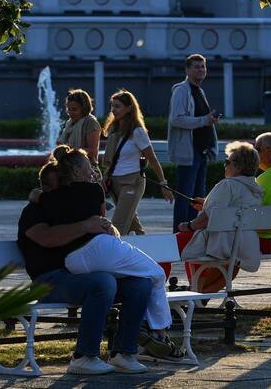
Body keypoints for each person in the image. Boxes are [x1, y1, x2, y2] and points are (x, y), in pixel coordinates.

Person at [40, 147, 179, 361]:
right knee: (157, 273)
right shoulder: (94, 190)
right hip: (98, 247)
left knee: (137, 282)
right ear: (76, 172)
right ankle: (159, 334)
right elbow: (103, 224)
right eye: (88, 167)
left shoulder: (50, 197)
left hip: (72, 261)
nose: (93, 171)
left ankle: (130, 344)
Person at [17, 160, 154, 374]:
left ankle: (123, 353)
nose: (64, 191)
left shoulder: (70, 207)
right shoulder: (34, 210)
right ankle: (84, 356)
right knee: (103, 282)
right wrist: (85, 226)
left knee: (141, 284)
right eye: (59, 186)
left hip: (81, 276)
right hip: (48, 281)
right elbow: (47, 238)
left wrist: (104, 227)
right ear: (44, 187)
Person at [177, 141, 264, 292]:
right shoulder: (255, 189)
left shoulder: (227, 185)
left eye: (227, 162)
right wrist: (206, 204)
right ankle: (198, 293)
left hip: (221, 242)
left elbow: (206, 219)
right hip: (242, 244)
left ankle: (188, 293)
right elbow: (226, 212)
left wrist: (187, 225)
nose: (225, 166)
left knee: (170, 246)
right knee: (229, 265)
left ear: (238, 167)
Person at [103, 90, 172, 235]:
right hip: (114, 182)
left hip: (132, 181)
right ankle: (147, 249)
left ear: (128, 108)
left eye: (117, 106)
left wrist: (163, 183)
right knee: (133, 224)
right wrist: (106, 176)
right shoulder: (114, 130)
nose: (113, 110)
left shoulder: (137, 132)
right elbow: (112, 160)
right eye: (112, 106)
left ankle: (111, 255)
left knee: (118, 225)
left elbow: (152, 158)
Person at [168, 54, 220, 232]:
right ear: (187, 70)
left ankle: (190, 235)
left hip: (201, 151)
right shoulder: (182, 90)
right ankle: (178, 236)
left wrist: (209, 124)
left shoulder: (199, 90)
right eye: (197, 67)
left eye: (203, 66)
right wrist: (205, 120)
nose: (201, 70)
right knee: (184, 197)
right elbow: (176, 119)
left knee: (197, 200)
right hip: (189, 153)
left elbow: (202, 120)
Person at [59, 89, 102, 173]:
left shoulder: (90, 122)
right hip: (71, 169)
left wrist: (69, 152)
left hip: (88, 171)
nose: (70, 113)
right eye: (68, 109)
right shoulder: (70, 123)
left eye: (74, 109)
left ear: (84, 108)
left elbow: (92, 151)